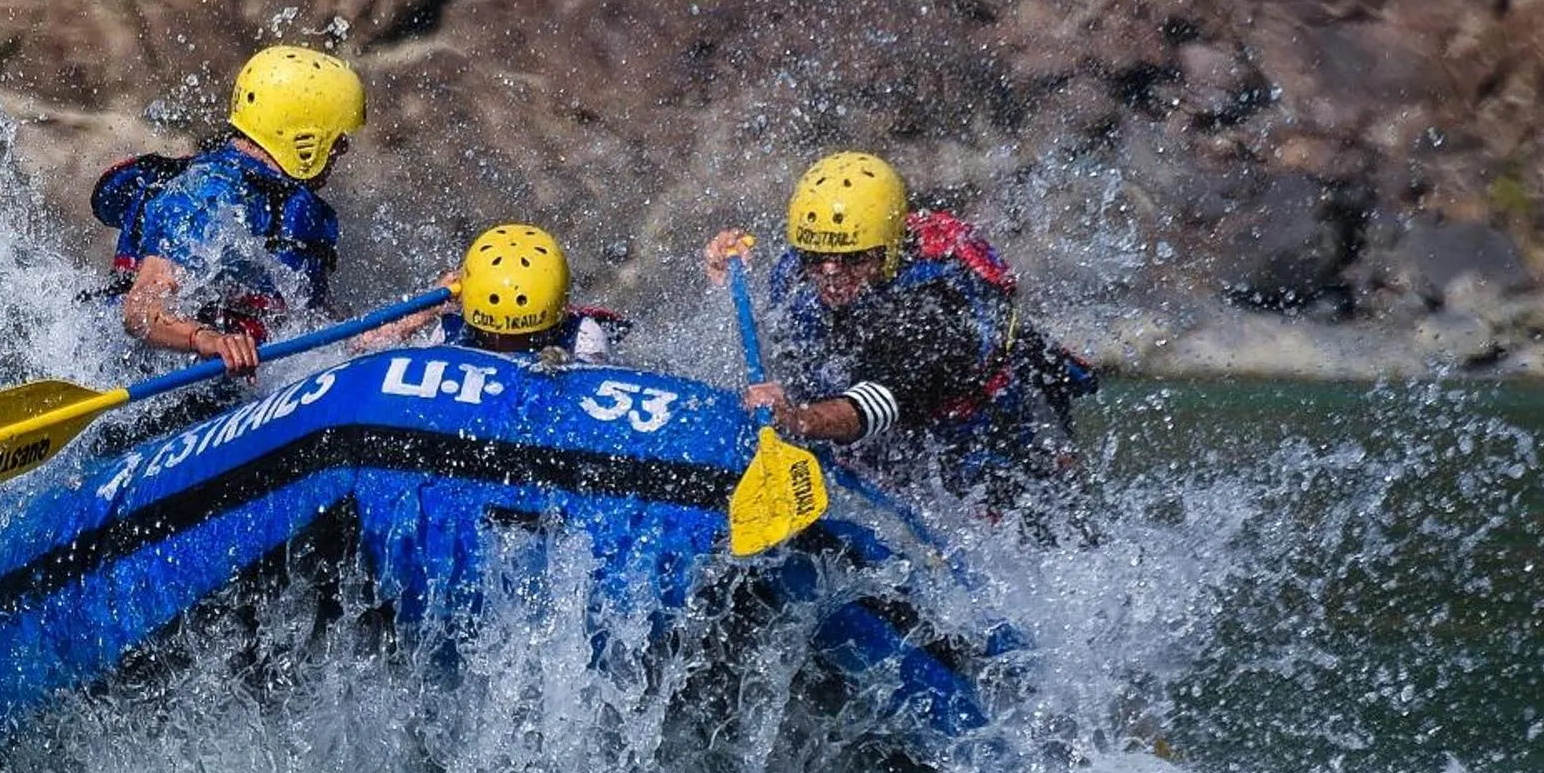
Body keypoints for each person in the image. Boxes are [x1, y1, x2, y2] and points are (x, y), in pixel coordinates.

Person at [706, 151, 1097, 521]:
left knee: (1026, 500)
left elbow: (876, 402)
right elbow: (789, 346)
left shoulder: (937, 308)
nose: (831, 275)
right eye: (815, 257)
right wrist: (733, 281)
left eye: (854, 259)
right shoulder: (806, 266)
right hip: (898, 424)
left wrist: (799, 419)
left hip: (991, 429)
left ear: (889, 249)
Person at [113, 44, 365, 380]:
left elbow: (332, 336)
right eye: (338, 137)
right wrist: (207, 340)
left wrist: (426, 311)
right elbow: (141, 311)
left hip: (238, 390)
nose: (344, 148)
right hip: (148, 382)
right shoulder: (207, 196)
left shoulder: (298, 211)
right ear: (302, 135)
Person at [351, 224, 623, 363]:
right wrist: (428, 309)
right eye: (491, 336)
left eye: (528, 338)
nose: (507, 348)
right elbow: (360, 348)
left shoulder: (584, 336)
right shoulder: (450, 331)